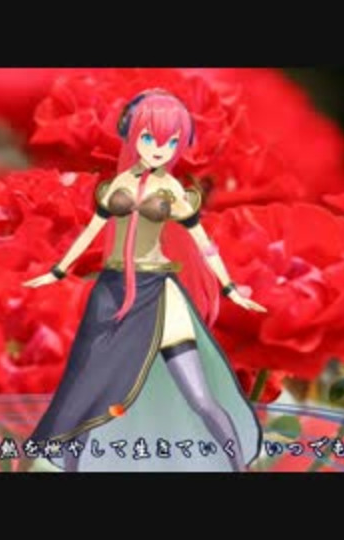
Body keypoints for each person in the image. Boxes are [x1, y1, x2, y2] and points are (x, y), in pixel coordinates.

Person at [22, 88, 266, 472]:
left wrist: (229, 286)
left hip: (160, 292)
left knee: (199, 396)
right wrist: (56, 270)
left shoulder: (173, 190)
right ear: (132, 135)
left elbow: (203, 244)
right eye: (150, 138)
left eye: (171, 141)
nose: (159, 149)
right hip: (114, 290)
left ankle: (238, 467)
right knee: (89, 397)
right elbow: (89, 234)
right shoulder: (116, 186)